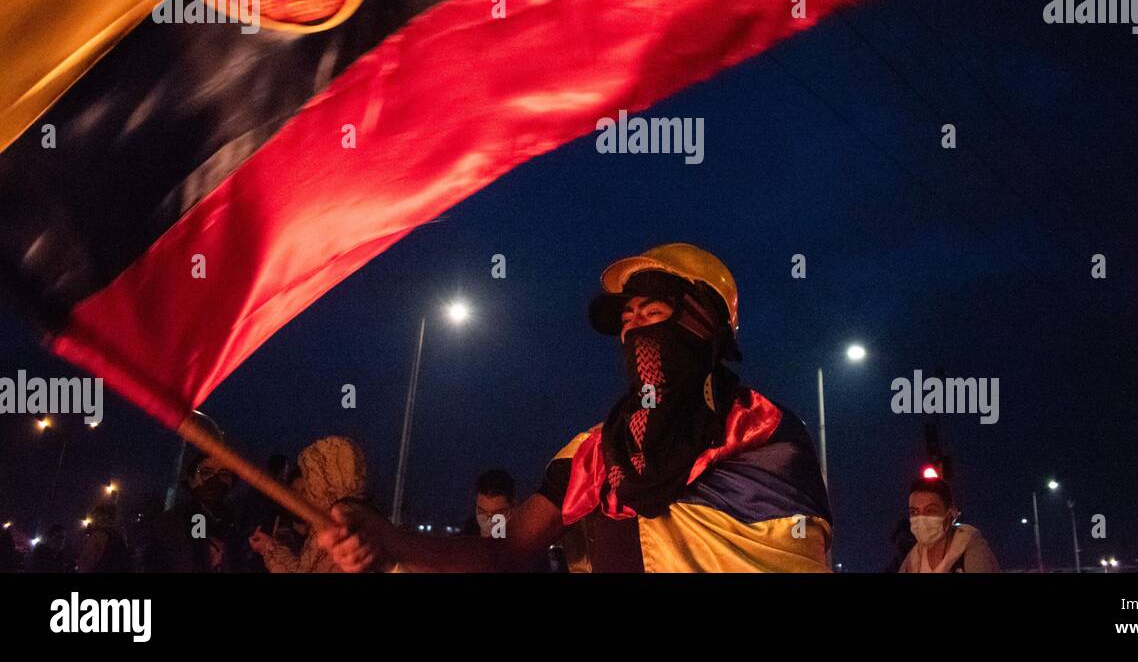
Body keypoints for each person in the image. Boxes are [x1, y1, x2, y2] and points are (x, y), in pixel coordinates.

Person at [321, 243, 832, 572]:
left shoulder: (767, 434)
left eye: (654, 314)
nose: (635, 332)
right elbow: (502, 551)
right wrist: (388, 539)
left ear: (702, 327)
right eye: (628, 322)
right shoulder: (593, 455)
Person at [250, 436, 369, 573]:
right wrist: (269, 547)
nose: (306, 491)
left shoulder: (337, 525)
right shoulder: (353, 517)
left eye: (311, 477)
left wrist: (269, 549)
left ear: (327, 478)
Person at [140, 454, 244, 572]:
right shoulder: (170, 523)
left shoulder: (240, 522)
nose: (214, 479)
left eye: (224, 473)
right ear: (192, 480)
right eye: (206, 472)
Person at [898, 476, 999, 573]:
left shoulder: (974, 553)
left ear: (950, 513)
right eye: (914, 512)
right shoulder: (913, 560)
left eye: (930, 511)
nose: (921, 519)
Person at [76, 503, 131, 573]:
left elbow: (86, 562)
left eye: (94, 517)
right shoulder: (119, 537)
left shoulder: (98, 536)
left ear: (101, 518)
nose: (93, 521)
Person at [462, 469, 516, 538]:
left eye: (497, 513)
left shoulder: (525, 543)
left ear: (512, 508)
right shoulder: (461, 543)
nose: (489, 522)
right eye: (482, 511)